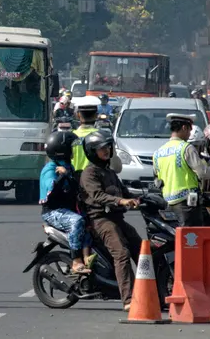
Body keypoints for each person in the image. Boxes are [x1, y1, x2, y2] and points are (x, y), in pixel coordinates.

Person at [78, 131, 141, 311]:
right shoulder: (89, 173)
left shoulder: (109, 171)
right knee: (121, 254)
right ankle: (128, 299)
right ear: (91, 151)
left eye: (107, 147)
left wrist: (145, 197)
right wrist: (120, 201)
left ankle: (151, 290)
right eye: (101, 149)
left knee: (142, 248)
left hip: (116, 217)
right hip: (100, 219)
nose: (106, 151)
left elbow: (124, 192)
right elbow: (98, 196)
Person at [40, 131, 96, 274]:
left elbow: (76, 186)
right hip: (53, 212)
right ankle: (76, 261)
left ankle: (87, 258)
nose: (73, 150)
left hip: (69, 209)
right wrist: (62, 177)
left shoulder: (68, 166)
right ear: (62, 151)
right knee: (77, 222)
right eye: (70, 147)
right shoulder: (50, 169)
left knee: (90, 224)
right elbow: (50, 190)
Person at [152, 114, 210, 226]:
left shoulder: (158, 152)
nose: (189, 134)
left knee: (176, 237)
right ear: (184, 128)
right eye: (189, 130)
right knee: (191, 239)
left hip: (168, 204)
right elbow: (203, 173)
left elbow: (157, 178)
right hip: (186, 204)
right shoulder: (186, 148)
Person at [71, 101, 122, 181]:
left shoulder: (69, 137)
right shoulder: (104, 136)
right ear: (96, 115)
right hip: (96, 184)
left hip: (74, 183)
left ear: (78, 115)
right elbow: (116, 167)